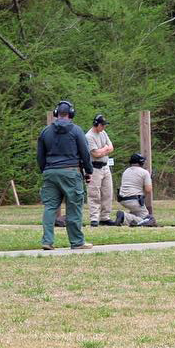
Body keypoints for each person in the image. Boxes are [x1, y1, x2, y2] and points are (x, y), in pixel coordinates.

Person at [37, 101, 94, 250]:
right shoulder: (76, 131)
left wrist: (46, 170)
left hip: (50, 172)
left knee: (50, 207)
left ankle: (47, 241)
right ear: (71, 114)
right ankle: (77, 242)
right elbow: (85, 153)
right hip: (71, 172)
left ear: (56, 113)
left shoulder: (45, 132)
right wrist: (89, 171)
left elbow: (40, 156)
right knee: (74, 207)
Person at [86, 114, 116, 226]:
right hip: (94, 168)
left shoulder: (103, 133)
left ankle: (105, 217)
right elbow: (96, 154)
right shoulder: (89, 136)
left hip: (105, 166)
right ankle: (94, 218)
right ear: (96, 124)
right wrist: (105, 149)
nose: (104, 127)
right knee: (94, 194)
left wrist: (103, 150)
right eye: (102, 125)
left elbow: (111, 147)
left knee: (107, 192)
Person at [115, 153, 155, 227]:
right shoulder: (144, 172)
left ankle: (126, 216)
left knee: (136, 213)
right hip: (134, 200)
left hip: (122, 199)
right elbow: (148, 189)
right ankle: (124, 217)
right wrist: (150, 179)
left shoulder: (126, 171)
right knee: (148, 219)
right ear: (141, 162)